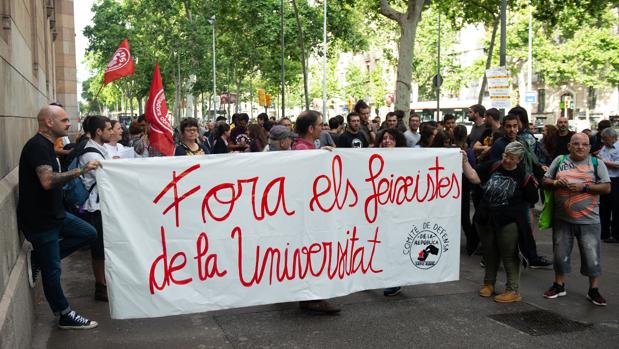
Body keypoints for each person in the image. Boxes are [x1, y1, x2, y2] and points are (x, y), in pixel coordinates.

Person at [17, 105, 99, 329]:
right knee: (53, 270)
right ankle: (64, 314)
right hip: (41, 221)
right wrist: (81, 171)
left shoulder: (47, 145)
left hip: (56, 215)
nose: (68, 123)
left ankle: (40, 259)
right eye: (63, 120)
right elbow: (47, 181)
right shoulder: (37, 146)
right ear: (48, 122)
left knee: (89, 233)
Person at [542, 133, 611, 306]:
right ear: (569, 146)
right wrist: (556, 183)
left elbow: (606, 187)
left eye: (584, 144)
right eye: (576, 144)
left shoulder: (597, 163)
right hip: (562, 219)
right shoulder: (559, 160)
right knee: (560, 255)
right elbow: (545, 180)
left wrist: (585, 187)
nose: (580, 147)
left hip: (589, 221)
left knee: (592, 257)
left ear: (589, 147)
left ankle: (593, 290)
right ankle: (559, 285)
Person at [474, 142, 538, 303]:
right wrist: (465, 162)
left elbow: (532, 198)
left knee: (509, 254)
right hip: (486, 218)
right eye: (505, 155)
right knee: (489, 252)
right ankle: (489, 283)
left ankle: (513, 289)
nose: (507, 160)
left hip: (509, 221)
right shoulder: (493, 166)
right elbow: (474, 176)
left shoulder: (524, 176)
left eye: (511, 157)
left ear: (519, 159)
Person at [292, 110, 340, 314]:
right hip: (308, 212)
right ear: (311, 128)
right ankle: (314, 297)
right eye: (320, 124)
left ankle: (309, 296)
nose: (323, 127)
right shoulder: (304, 149)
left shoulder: (309, 147)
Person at [79, 116, 113, 302]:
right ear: (99, 132)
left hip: (103, 205)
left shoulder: (100, 149)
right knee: (99, 249)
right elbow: (106, 178)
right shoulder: (91, 154)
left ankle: (104, 283)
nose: (111, 132)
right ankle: (100, 286)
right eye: (108, 129)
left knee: (103, 247)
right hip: (96, 208)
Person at [598, 127, 619, 243]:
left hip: (616, 180)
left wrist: (603, 162)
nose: (603, 141)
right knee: (604, 207)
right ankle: (604, 233)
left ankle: (616, 235)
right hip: (605, 179)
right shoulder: (604, 148)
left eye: (605, 139)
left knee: (616, 208)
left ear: (613, 138)